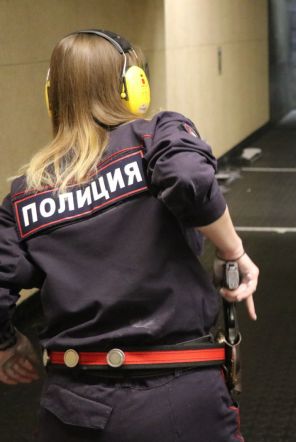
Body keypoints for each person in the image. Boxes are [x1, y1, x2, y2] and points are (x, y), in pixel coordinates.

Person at [0, 30, 258, 441]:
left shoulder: (25, 193)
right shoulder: (156, 137)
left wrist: (7, 345)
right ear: (134, 86)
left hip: (72, 405)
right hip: (175, 396)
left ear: (53, 96)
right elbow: (189, 178)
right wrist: (233, 251)